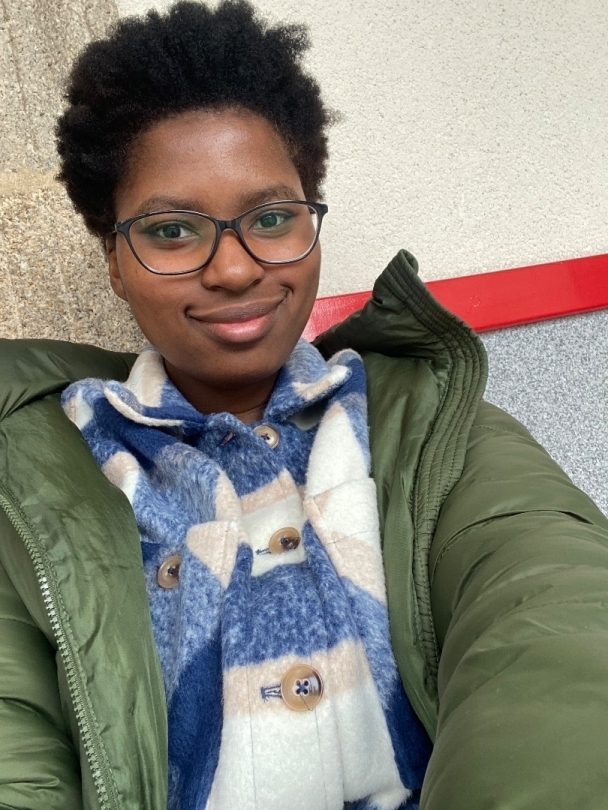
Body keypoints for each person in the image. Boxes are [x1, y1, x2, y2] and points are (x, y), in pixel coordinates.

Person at [1, 1, 608, 808]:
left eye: (271, 218)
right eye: (173, 231)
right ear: (114, 259)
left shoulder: (432, 428)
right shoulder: (35, 478)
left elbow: (556, 612)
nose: (233, 269)